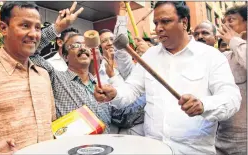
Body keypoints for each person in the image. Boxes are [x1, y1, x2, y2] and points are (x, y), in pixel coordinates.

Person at [94, 1, 241, 154]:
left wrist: (203, 105)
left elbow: (232, 98)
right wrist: (114, 93)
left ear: (184, 22)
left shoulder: (211, 57)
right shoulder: (150, 56)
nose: (158, 28)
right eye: (156, 23)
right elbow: (131, 90)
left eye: (165, 21)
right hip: (153, 149)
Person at [0, 1, 57, 153]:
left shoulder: (43, 75)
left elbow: (53, 124)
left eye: (37, 27)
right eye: (25, 25)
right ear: (3, 28)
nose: (34, 34)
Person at [216, 4, 247, 155]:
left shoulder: (239, 48)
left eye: (231, 20)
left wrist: (234, 41)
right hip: (222, 139)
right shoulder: (225, 57)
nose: (225, 25)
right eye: (224, 21)